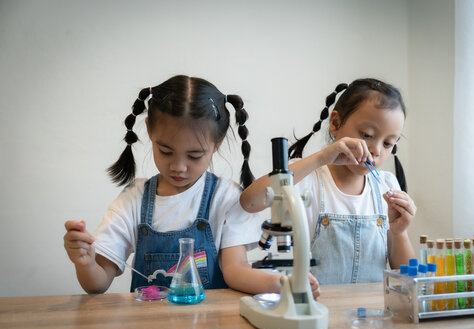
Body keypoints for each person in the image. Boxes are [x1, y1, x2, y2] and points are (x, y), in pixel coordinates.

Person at [63, 75, 320, 298]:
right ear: (150, 132)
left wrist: (283, 282)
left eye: (194, 156)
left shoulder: (225, 197)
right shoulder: (133, 200)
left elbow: (235, 271)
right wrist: (84, 262)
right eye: (165, 151)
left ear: (217, 144)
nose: (179, 167)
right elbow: (97, 284)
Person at [240, 78, 415, 284]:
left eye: (388, 143)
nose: (376, 150)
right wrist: (321, 158)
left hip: (371, 313)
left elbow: (408, 276)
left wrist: (400, 232)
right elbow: (249, 202)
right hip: (318, 309)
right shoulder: (308, 177)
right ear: (335, 123)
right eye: (367, 135)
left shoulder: (387, 185)